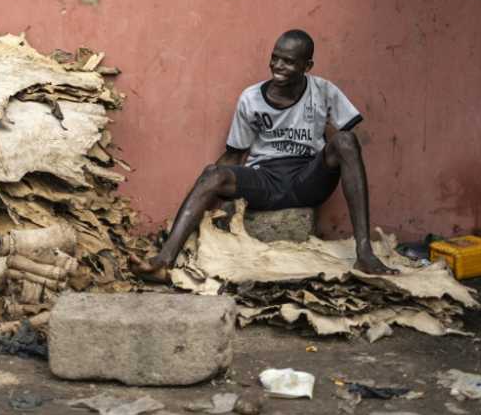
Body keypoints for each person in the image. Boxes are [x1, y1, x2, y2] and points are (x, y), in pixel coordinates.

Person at [133, 29, 395, 277]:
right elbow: (234, 155)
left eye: (289, 62)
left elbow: (347, 140)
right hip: (266, 180)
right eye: (275, 58)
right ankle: (163, 261)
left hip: (308, 179)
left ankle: (364, 252)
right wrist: (213, 187)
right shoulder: (251, 98)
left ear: (307, 66)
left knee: (346, 140)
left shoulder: (323, 91)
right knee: (212, 173)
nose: (278, 66)